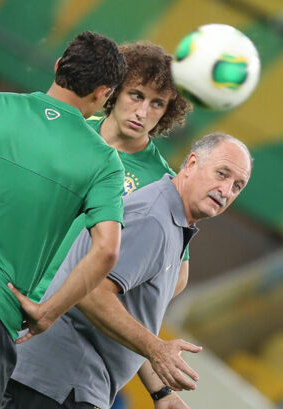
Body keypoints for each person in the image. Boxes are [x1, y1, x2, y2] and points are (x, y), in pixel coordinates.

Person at [0, 132, 253, 409]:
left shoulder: (167, 220)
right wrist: (156, 347)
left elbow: (123, 321)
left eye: (238, 185)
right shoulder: (154, 220)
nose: (227, 190)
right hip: (66, 391)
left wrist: (161, 392)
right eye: (222, 174)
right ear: (193, 163)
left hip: (42, 383)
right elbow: (91, 293)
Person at [0, 31, 127, 409]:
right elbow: (107, 251)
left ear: (58, 66)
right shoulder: (103, 163)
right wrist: (48, 312)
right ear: (103, 94)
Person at [31, 40, 193, 307]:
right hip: (7, 283)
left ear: (167, 112)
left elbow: (176, 277)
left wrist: (99, 299)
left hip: (61, 313)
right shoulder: (70, 127)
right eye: (137, 95)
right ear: (115, 90)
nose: (142, 112)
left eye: (157, 103)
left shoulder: (165, 185)